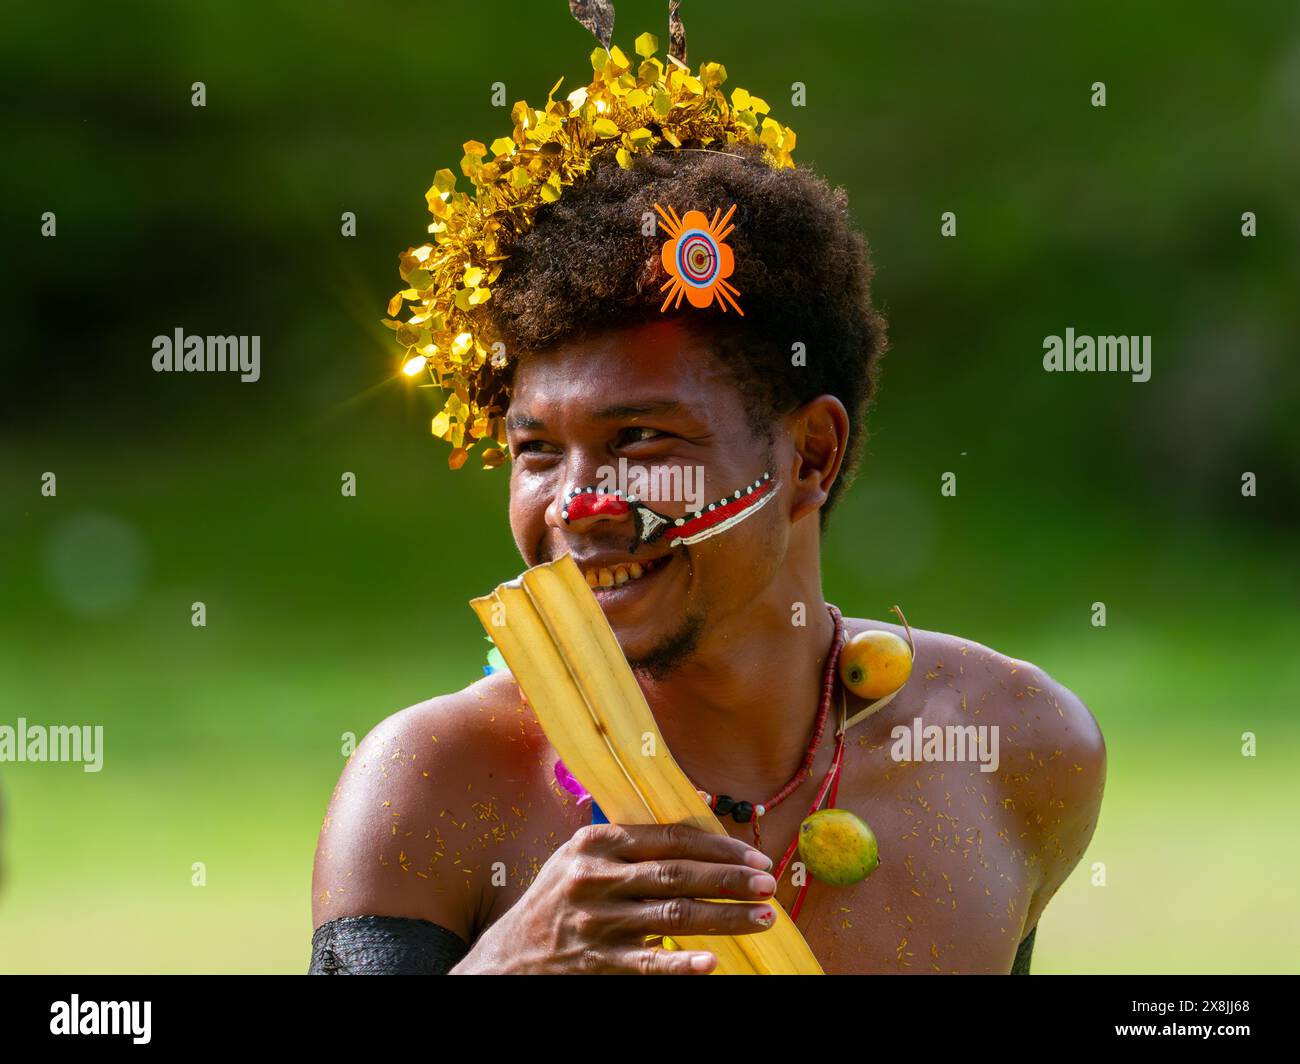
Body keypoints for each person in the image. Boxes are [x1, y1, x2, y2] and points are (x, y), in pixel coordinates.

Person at [309, 8, 1105, 975]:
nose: (576, 505)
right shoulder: (432, 785)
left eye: (640, 440)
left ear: (810, 456)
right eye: (537, 451)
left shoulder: (1016, 746)